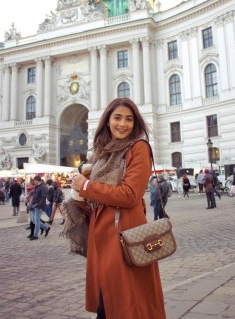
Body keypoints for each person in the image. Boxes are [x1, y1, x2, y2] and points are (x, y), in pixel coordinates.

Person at [72, 98, 166, 319]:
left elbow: (130, 195)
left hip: (124, 236)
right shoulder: (101, 155)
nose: (123, 124)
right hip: (101, 237)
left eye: (129, 119)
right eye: (117, 117)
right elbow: (95, 202)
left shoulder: (139, 148)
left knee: (127, 305)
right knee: (108, 303)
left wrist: (86, 186)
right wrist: (78, 195)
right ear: (107, 121)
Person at [29, 176, 50, 241]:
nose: (34, 182)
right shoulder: (37, 187)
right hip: (35, 205)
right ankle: (46, 228)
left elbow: (43, 197)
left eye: (35, 180)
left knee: (36, 220)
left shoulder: (43, 187)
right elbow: (35, 195)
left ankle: (35, 235)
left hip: (39, 206)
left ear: (38, 180)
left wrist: (39, 204)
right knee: (35, 220)